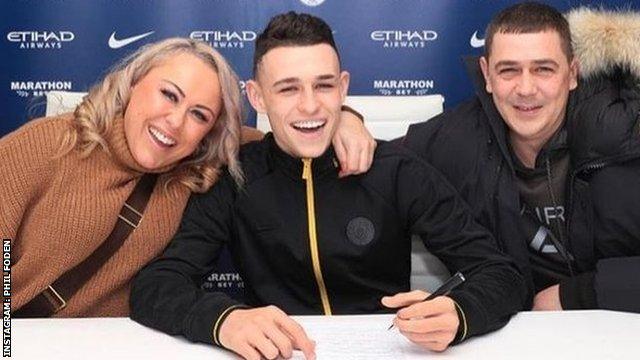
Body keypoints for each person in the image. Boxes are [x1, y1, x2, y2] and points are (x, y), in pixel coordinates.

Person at [130, 12, 528, 360]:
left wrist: (460, 313)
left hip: (390, 350)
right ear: (257, 96)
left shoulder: (396, 171)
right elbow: (157, 286)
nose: (309, 106)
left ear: (342, 87)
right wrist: (224, 321)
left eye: (323, 86)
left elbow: (500, 273)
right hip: (279, 354)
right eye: (288, 88)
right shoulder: (235, 177)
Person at [0, 37, 375, 317]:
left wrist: (344, 118)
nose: (176, 123)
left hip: (109, 347)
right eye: (168, 95)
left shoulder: (194, 166)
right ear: (133, 83)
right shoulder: (47, 144)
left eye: (199, 114)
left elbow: (288, 136)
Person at [404, 2, 640, 312]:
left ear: (572, 73)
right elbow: (376, 161)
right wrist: (346, 121)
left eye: (543, 69)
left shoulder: (629, 131)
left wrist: (575, 295)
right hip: (519, 339)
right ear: (487, 75)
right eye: (509, 70)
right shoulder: (453, 139)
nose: (526, 88)